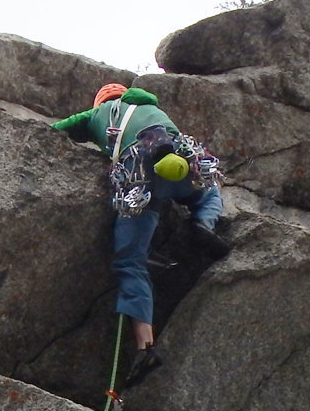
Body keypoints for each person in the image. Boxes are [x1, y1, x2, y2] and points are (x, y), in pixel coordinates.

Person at [51, 82, 226, 382]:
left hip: (139, 177)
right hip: (179, 164)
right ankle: (202, 224)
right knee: (210, 193)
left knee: (130, 261)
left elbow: (60, 128)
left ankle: (146, 346)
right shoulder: (153, 108)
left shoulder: (100, 114)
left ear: (102, 102)